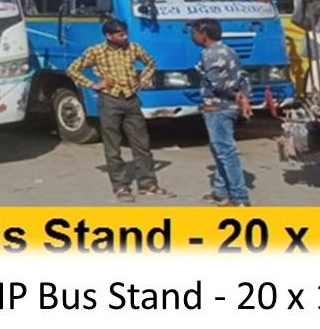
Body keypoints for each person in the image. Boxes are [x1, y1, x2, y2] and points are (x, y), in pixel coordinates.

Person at [66, 18, 172, 202]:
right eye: (120, 34)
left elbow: (150, 63)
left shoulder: (133, 48)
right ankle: (121, 187)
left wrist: (144, 79)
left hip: (131, 99)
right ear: (109, 36)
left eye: (125, 33)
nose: (125, 37)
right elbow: (73, 70)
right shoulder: (96, 51)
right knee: (113, 146)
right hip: (110, 101)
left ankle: (147, 184)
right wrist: (95, 85)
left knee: (141, 144)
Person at [191, 18, 253, 206]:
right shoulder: (230, 51)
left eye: (194, 32)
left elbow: (217, 85)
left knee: (226, 152)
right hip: (229, 108)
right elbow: (242, 76)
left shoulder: (209, 55)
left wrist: (236, 96)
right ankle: (221, 191)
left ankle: (240, 196)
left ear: (204, 35)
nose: (192, 36)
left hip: (217, 108)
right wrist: (244, 96)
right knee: (220, 150)